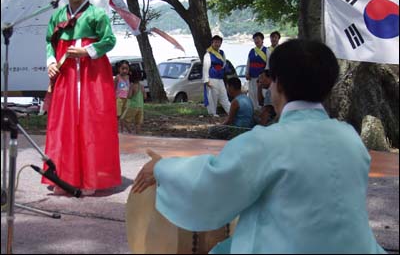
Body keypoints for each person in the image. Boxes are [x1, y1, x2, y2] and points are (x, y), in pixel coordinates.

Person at [132, 39, 386, 254]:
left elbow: (211, 182)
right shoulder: (350, 138)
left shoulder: (266, 141)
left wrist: (162, 168)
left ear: (278, 85)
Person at [44, 0, 121, 196]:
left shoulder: (97, 14)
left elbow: (109, 41)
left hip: (91, 75)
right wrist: (50, 62)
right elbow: (50, 41)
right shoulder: (57, 15)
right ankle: (62, 177)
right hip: (66, 75)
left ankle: (90, 177)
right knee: (64, 124)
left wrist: (88, 51)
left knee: (90, 123)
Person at [203, 35, 231, 117]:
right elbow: (205, 67)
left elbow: (224, 63)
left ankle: (230, 111)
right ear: (212, 43)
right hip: (212, 78)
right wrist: (206, 79)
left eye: (219, 42)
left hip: (220, 78)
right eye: (215, 42)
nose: (217, 44)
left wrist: (222, 70)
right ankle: (212, 113)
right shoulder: (208, 54)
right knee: (213, 97)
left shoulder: (222, 53)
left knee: (224, 95)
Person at [245, 32, 269, 109]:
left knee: (261, 93)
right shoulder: (252, 51)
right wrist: (247, 72)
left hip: (261, 78)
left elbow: (268, 64)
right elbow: (248, 62)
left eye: (258, 38)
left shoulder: (266, 50)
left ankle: (262, 109)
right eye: (255, 39)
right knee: (252, 93)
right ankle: (253, 109)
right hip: (252, 77)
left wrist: (264, 76)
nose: (256, 40)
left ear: (262, 40)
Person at [122, 68, 146, 134]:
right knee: (138, 123)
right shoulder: (142, 86)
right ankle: (138, 134)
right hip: (141, 107)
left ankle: (131, 133)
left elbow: (129, 96)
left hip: (133, 106)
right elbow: (145, 96)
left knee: (124, 120)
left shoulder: (132, 86)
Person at [114, 60, 131, 132]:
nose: (124, 70)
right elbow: (113, 88)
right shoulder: (117, 78)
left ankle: (122, 130)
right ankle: (116, 130)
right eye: (122, 68)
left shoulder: (128, 77)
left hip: (126, 99)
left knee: (123, 116)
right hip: (119, 99)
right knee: (118, 116)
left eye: (126, 68)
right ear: (119, 69)